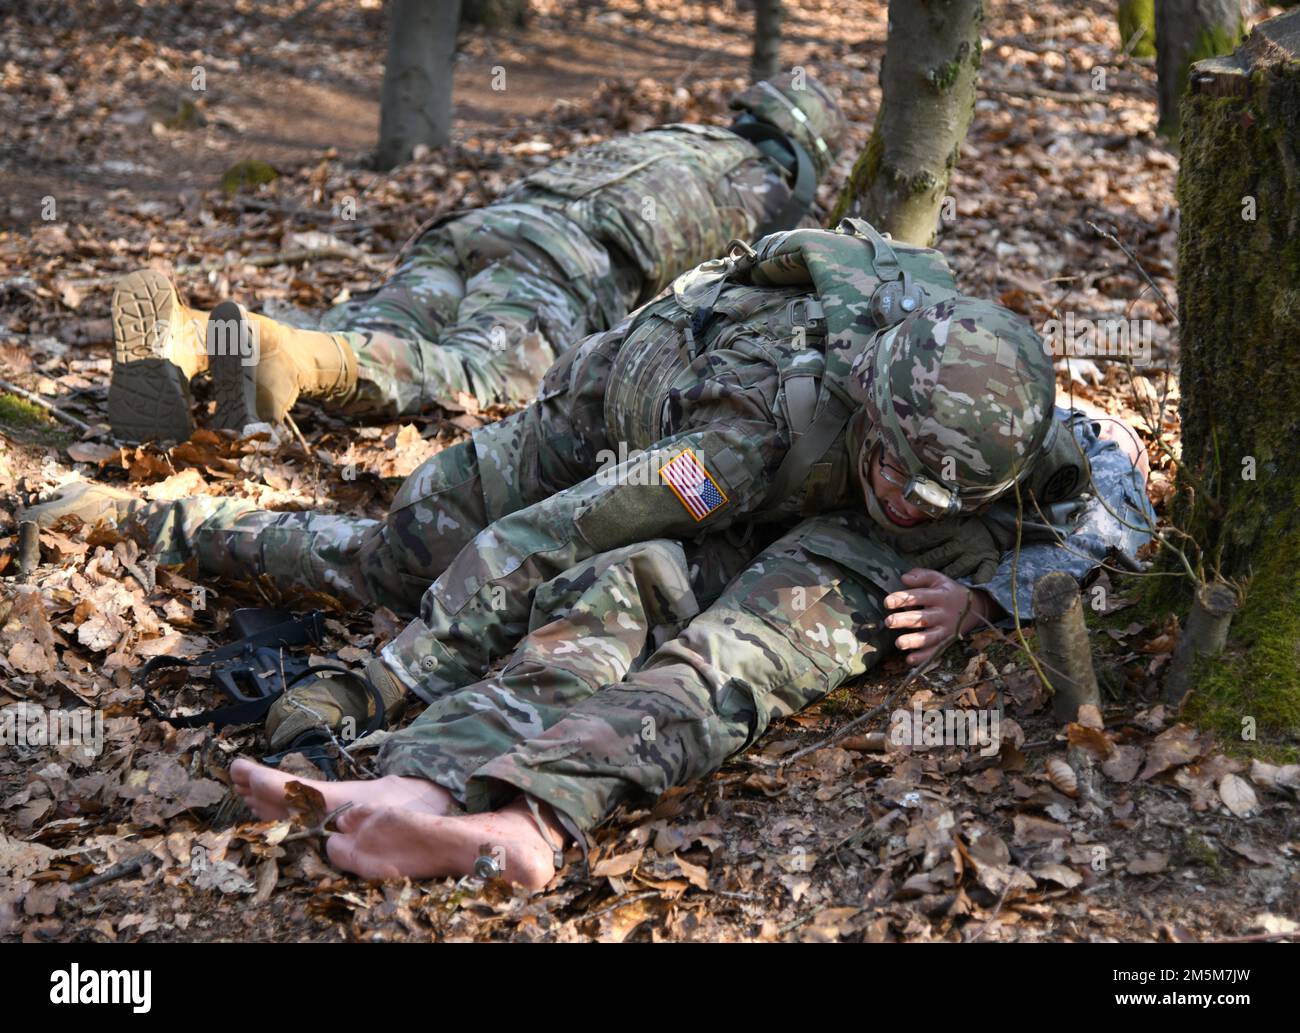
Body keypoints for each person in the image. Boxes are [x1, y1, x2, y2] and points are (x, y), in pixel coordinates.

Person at [25, 222, 1154, 889]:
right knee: (402, 558)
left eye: (947, 495)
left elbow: (1120, 497)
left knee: (682, 618)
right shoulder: (750, 426)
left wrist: (987, 593)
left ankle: (443, 795)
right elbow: (547, 530)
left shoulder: (1018, 425)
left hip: (789, 522)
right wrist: (385, 673)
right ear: (866, 413)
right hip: (600, 428)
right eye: (900, 473)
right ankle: (144, 519)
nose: (914, 507)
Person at [106, 72, 846, 443]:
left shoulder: (676, 136)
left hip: (476, 227)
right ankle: (289, 359)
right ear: (803, 158)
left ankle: (193, 337)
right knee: (481, 374)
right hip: (562, 262)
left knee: (379, 322)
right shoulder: (769, 194)